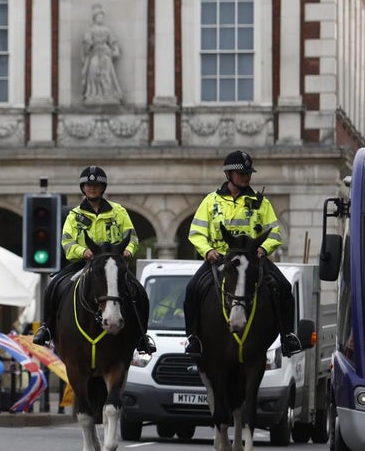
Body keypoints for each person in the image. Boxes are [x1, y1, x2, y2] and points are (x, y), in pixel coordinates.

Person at [183, 150, 301, 357]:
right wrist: (208, 250)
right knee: (192, 289)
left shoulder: (261, 203)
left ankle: (287, 336)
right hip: (219, 257)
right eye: (242, 173)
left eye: (249, 173)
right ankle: (193, 338)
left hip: (252, 259)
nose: (247, 177)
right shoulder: (210, 201)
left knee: (284, 286)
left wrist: (263, 249)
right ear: (228, 174)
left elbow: (275, 233)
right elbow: (196, 233)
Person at [33, 166, 156, 354]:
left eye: (96, 185)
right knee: (52, 286)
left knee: (139, 292)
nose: (92, 188)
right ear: (83, 188)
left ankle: (142, 337)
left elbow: (132, 238)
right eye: (88, 185)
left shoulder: (118, 212)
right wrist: (83, 252)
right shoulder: (74, 215)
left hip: (112, 264)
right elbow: (66, 242)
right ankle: (47, 329)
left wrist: (129, 251)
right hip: (84, 263)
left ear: (102, 188)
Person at [81, 3, 123, 104]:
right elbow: (86, 41)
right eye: (98, 16)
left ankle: (108, 94)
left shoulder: (107, 30)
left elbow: (113, 41)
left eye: (102, 16)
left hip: (105, 54)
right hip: (95, 53)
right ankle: (94, 94)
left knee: (106, 74)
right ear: (94, 18)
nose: (100, 18)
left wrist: (115, 50)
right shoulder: (90, 30)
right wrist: (89, 44)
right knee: (94, 72)